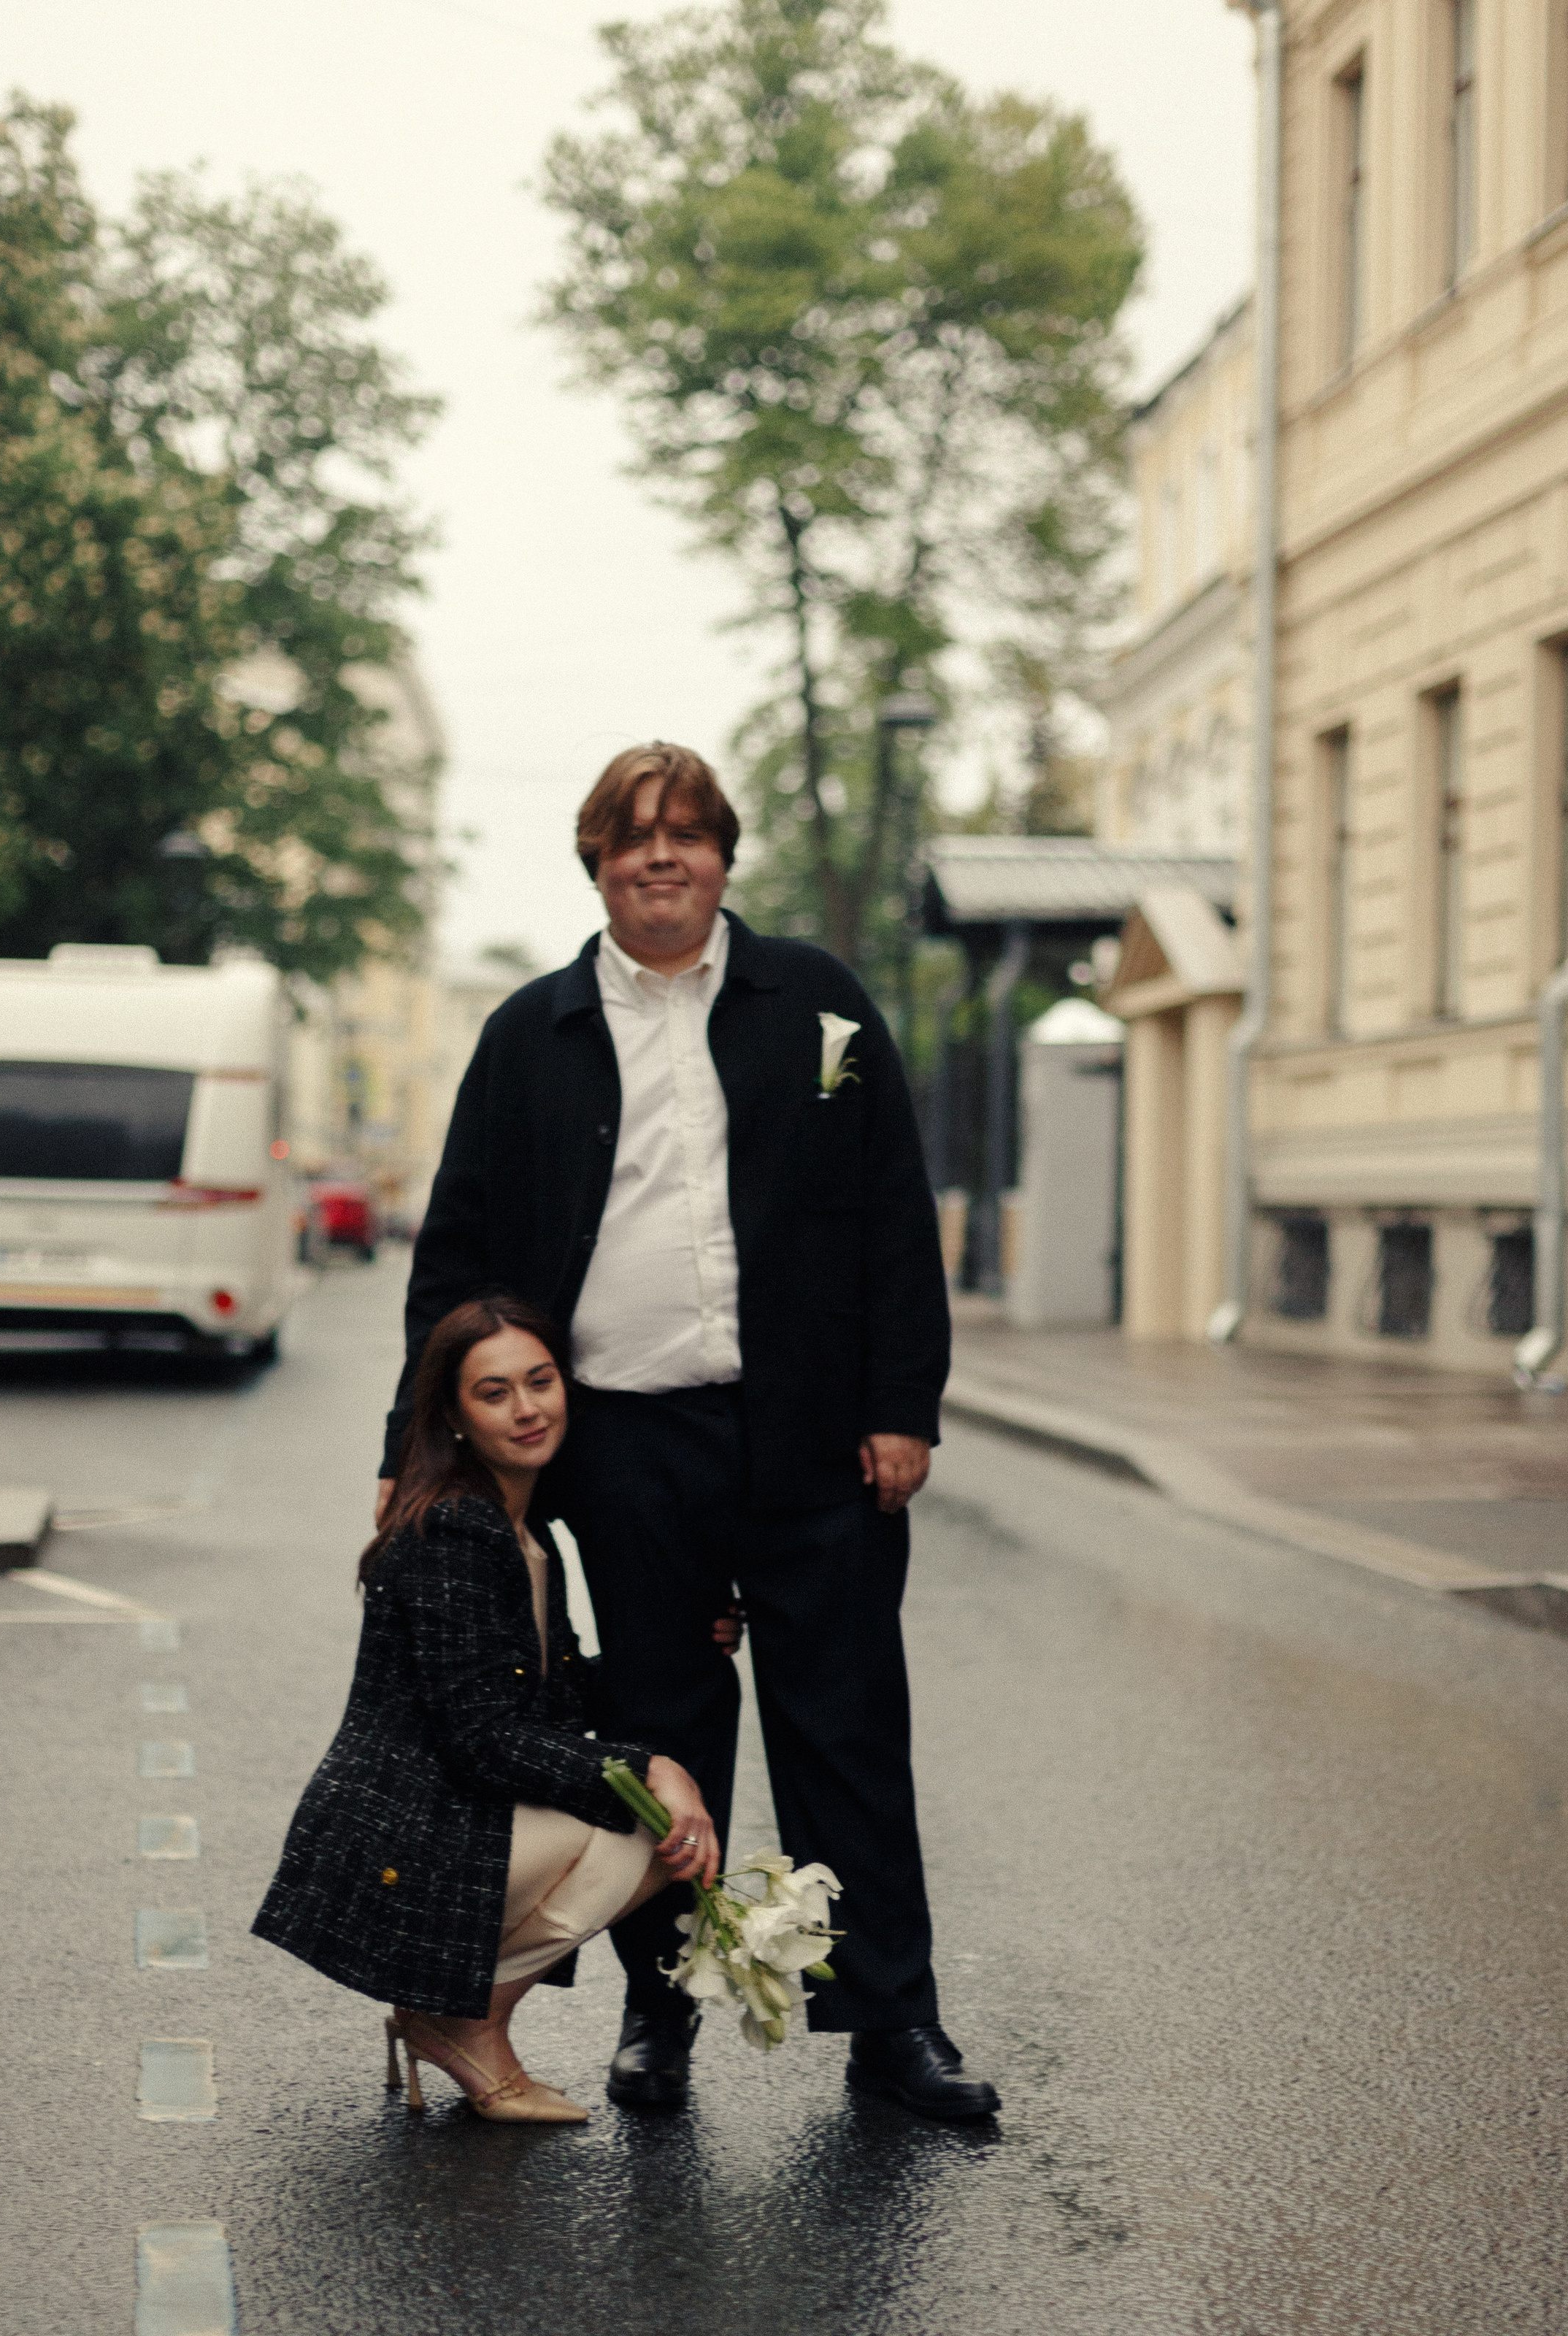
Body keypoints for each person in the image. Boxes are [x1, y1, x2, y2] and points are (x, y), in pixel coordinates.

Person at [376, 742, 999, 2124]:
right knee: (663, 1746)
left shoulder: (817, 1005)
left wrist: (905, 1404)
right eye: (633, 837)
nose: (662, 857)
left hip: (816, 1445)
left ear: (723, 858)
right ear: (596, 862)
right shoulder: (530, 1034)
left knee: (845, 1730)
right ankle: (662, 2020)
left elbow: (896, 1212)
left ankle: (894, 2025)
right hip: (629, 1452)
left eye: (688, 835)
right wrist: (410, 1447)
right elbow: (459, 1257)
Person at [253, 1293, 725, 2124]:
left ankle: (455, 2020)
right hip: (399, 1837)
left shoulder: (522, 1531)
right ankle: (469, 2025)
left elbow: (552, 1689)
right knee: (650, 1830)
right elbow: (484, 1739)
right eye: (495, 1391)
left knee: (652, 1825)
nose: (528, 1407)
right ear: (455, 1416)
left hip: (445, 1813)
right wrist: (656, 1766)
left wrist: (682, 1640)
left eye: (540, 1381)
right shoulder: (455, 1533)